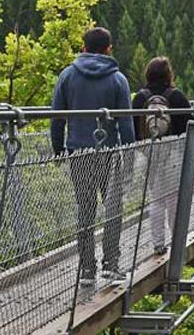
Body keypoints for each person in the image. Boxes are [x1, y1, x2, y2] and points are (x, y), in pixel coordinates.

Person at [51, 26, 135, 293]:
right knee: (112, 209)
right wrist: (129, 154)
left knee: (85, 209)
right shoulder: (118, 79)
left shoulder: (67, 75)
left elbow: (57, 117)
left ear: (83, 46)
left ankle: (87, 269)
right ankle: (111, 263)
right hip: (108, 154)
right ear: (109, 48)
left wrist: (58, 149)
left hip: (78, 153)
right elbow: (126, 123)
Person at [131, 57, 191, 255]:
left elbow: (133, 127)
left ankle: (158, 244)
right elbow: (190, 124)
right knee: (174, 198)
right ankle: (177, 241)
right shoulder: (176, 97)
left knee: (156, 199)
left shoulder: (140, 98)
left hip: (149, 152)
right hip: (173, 151)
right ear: (168, 74)